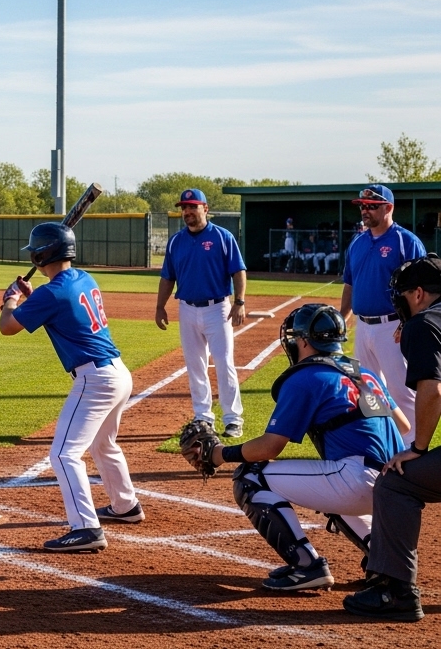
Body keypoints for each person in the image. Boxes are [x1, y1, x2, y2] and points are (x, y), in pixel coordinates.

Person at [187, 304, 409, 591]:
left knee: (251, 476)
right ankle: (383, 561)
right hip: (393, 485)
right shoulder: (361, 373)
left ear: (304, 341)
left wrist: (219, 454)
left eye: (295, 338)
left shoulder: (308, 377)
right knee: (329, 481)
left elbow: (270, 447)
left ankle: (307, 566)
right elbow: (402, 425)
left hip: (356, 479)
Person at [0, 223, 141, 553]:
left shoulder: (52, 293)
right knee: (103, 445)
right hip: (117, 374)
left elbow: (8, 327)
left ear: (41, 253)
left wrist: (11, 300)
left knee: (63, 454)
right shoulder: (82, 278)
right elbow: (62, 311)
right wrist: (31, 299)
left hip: (95, 380)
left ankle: (86, 528)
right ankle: (126, 505)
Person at [344, 255, 441, 621]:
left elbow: (432, 392)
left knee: (395, 483)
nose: (398, 302)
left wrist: (418, 449)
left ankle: (396, 591)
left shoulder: (424, 324)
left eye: (401, 295)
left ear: (418, 293)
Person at [155, 189, 248, 437]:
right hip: (187, 308)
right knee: (195, 365)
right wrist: (159, 306)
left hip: (218, 308)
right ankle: (203, 416)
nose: (187, 212)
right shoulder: (176, 241)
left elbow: (238, 271)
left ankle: (232, 419)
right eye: (184, 208)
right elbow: (167, 277)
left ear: (205, 209)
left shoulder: (222, 237)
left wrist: (239, 301)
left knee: (224, 362)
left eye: (192, 207)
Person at [342, 184, 425, 445]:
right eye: (363, 206)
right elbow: (349, 284)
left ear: (388, 208)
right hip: (363, 326)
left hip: (394, 327)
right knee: (366, 388)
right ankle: (380, 442)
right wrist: (341, 318)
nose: (365, 211)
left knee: (401, 390)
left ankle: (411, 446)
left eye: (371, 206)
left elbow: (423, 289)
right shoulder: (357, 241)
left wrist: (410, 322)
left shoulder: (405, 241)